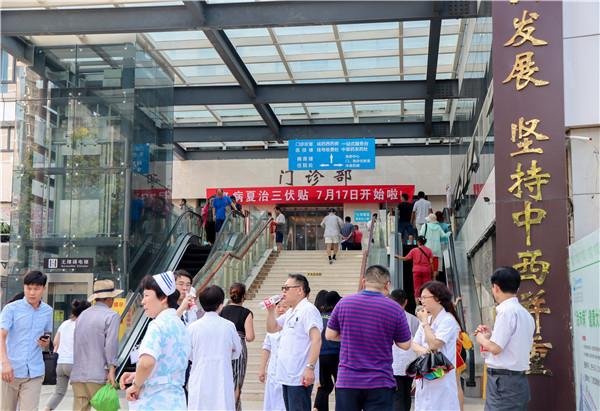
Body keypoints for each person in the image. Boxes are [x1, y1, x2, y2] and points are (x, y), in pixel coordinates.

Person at [325, 265, 412, 411]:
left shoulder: (344, 303)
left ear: (363, 281)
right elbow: (405, 344)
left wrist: (351, 336)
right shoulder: (395, 308)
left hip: (348, 381)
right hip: (380, 382)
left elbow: (329, 335)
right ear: (387, 285)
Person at [120, 272, 191, 410]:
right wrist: (137, 375)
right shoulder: (180, 325)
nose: (143, 301)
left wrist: (136, 385)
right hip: (176, 401)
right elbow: (166, 368)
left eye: (146, 295)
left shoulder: (157, 325)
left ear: (163, 298)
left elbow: (146, 363)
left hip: (154, 401)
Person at [475, 267, 535, 411]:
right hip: (517, 381)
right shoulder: (525, 313)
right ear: (517, 288)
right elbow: (512, 342)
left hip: (503, 382)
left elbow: (496, 348)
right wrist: (492, 334)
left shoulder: (506, 311)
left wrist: (480, 338)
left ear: (495, 288)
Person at [266, 274, 322, 411]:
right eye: (283, 288)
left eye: (286, 288)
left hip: (299, 376)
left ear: (299, 290)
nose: (283, 292)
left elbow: (316, 339)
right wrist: (271, 311)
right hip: (287, 374)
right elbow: (272, 328)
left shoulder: (308, 310)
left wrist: (310, 368)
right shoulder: (291, 311)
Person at [0, 270, 53, 411]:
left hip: (34, 372)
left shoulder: (47, 311)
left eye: (36, 289)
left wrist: (45, 341)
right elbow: (1, 336)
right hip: (10, 371)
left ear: (43, 289)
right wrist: (5, 363)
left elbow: (47, 333)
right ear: (24, 287)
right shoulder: (11, 309)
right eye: (28, 288)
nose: (32, 293)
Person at [187, 285, 242, 411]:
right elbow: (237, 351)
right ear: (221, 305)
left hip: (200, 375)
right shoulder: (229, 326)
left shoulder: (193, 327)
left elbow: (188, 353)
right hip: (222, 375)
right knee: (222, 404)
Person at [70, 279, 122, 411]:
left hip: (78, 375)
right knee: (107, 409)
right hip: (98, 374)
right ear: (109, 298)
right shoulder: (112, 316)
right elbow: (110, 345)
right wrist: (112, 370)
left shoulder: (82, 315)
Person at [411, 281, 461, 411]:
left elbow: (434, 344)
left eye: (424, 297)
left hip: (441, 376)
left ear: (438, 298)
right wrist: (425, 351)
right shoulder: (427, 319)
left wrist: (424, 323)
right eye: (421, 298)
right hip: (425, 372)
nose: (421, 301)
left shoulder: (448, 320)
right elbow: (414, 344)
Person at [44, 299, 91, 411]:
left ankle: (46, 409)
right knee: (81, 395)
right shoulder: (84, 325)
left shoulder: (64, 324)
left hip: (61, 364)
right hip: (75, 363)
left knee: (59, 392)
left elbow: (56, 342)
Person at [221, 283, 256, 411]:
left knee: (224, 380)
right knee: (236, 383)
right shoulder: (246, 313)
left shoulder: (222, 310)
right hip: (239, 348)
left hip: (223, 347)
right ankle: (234, 407)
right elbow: (250, 337)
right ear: (244, 296)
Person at [389, 289, 419, 411]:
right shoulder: (413, 319)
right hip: (410, 362)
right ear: (406, 302)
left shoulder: (387, 317)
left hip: (393, 362)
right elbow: (417, 340)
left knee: (397, 395)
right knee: (407, 394)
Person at [259, 300, 290, 411]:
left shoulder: (291, 325)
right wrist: (262, 369)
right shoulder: (272, 326)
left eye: (284, 307)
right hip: (273, 369)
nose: (281, 309)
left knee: (284, 402)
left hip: (288, 370)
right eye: (279, 306)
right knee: (272, 401)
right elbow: (267, 347)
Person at [314, 291, 341, 411]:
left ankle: (318, 407)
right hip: (337, 355)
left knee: (324, 386)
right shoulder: (336, 316)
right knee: (340, 386)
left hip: (321, 356)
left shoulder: (318, 317)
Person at [419, 214, 450, 278]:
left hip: (427, 250)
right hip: (436, 250)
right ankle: (434, 280)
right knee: (435, 268)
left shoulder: (425, 225)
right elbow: (443, 235)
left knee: (427, 266)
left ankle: (428, 280)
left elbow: (420, 235)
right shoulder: (438, 227)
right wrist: (449, 233)